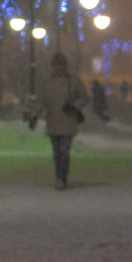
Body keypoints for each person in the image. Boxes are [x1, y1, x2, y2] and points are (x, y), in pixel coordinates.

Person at [43, 56, 84, 190]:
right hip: (53, 121)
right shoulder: (47, 82)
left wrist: (74, 106)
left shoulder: (74, 81)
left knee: (64, 151)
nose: (59, 68)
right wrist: (33, 115)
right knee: (57, 152)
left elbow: (84, 98)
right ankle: (59, 176)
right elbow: (41, 100)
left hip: (68, 121)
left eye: (61, 65)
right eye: (57, 65)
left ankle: (62, 177)